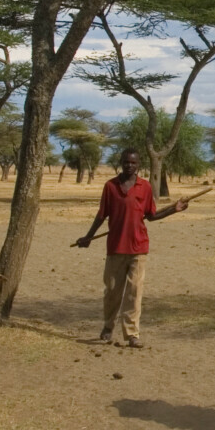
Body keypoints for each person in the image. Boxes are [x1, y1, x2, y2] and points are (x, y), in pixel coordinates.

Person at [76, 148, 188, 347]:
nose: (129, 165)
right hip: (115, 247)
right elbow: (101, 215)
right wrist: (88, 237)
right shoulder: (110, 186)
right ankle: (108, 327)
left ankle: (132, 334)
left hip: (138, 247)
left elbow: (151, 215)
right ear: (121, 162)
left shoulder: (145, 187)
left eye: (133, 163)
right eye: (126, 162)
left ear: (139, 165)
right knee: (112, 291)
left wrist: (174, 209)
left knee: (134, 292)